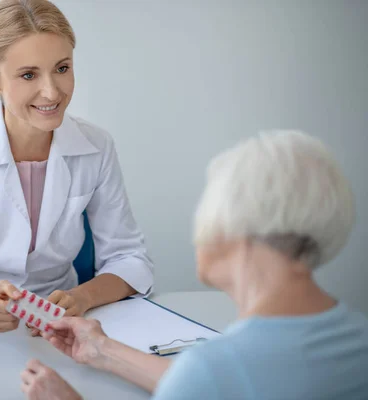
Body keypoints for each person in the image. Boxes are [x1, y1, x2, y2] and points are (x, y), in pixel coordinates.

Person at [21, 131, 368, 399]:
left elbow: (210, 381)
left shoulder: (214, 370)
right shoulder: (358, 339)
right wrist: (103, 349)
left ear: (238, 232)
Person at [0, 0, 153, 334]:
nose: (52, 91)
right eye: (28, 75)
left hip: (63, 326)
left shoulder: (96, 146)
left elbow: (130, 259)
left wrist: (80, 297)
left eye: (62, 68)